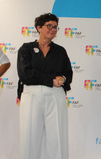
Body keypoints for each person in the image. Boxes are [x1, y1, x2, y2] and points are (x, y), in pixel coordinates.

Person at [17, 13, 73, 159]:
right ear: (39, 28)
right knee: (30, 137)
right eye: (49, 26)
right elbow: (25, 74)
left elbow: (68, 73)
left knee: (57, 136)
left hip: (55, 96)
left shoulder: (60, 51)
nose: (53, 29)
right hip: (32, 96)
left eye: (55, 27)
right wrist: (50, 80)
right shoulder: (26, 49)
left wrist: (62, 78)